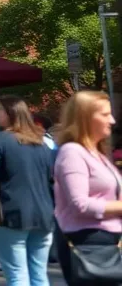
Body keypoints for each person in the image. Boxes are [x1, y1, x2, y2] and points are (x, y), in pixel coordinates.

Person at [0, 97, 55, 286]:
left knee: (17, 274)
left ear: (10, 112)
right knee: (39, 275)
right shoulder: (41, 143)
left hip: (11, 213)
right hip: (43, 214)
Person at [53, 91, 122, 286]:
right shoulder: (72, 153)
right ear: (85, 117)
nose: (112, 120)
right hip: (87, 244)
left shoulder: (96, 154)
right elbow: (80, 204)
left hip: (107, 242)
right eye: (105, 114)